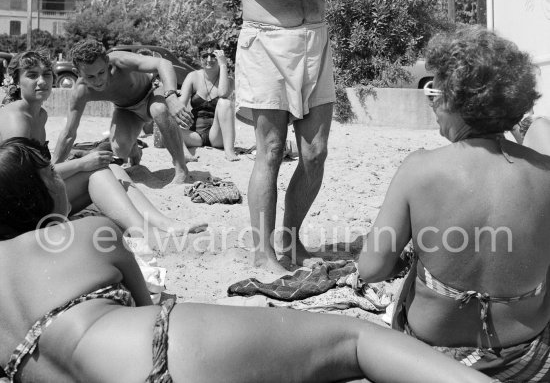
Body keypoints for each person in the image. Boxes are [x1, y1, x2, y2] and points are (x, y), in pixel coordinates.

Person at [0, 140, 494, 383]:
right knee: (357, 340)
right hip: (147, 350)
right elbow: (145, 304)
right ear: (42, 190)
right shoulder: (86, 231)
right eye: (52, 174)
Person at [358, 25, 550, 381]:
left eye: (437, 90)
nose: (432, 103)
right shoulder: (544, 171)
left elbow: (371, 269)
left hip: (432, 360)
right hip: (526, 358)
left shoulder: (419, 169)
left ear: (459, 100)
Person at [227, 0, 352, 274]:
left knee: (315, 152)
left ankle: (292, 241)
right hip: (266, 44)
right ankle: (263, 254)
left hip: (315, 40)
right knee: (271, 151)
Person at [0, 50, 205, 238]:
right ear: (16, 81)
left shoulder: (40, 114)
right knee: (96, 170)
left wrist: (75, 163)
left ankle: (163, 223)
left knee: (112, 168)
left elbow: (44, 170)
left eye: (46, 74)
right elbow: (25, 181)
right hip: (19, 215)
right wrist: (81, 164)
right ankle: (143, 231)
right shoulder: (16, 119)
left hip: (35, 199)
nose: (42, 81)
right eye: (32, 75)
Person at [52, 39, 194, 186]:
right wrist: (52, 169)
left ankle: (181, 168)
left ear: (107, 62)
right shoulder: (80, 92)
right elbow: (69, 133)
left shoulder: (119, 60)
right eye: (90, 77)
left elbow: (163, 63)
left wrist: (171, 96)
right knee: (120, 150)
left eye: (101, 72)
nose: (98, 80)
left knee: (159, 110)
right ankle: (135, 152)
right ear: (77, 73)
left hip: (151, 92)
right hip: (127, 109)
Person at [179, 40, 238, 161]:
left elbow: (222, 93)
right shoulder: (193, 77)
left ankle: (229, 151)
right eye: (205, 56)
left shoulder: (229, 81)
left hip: (217, 136)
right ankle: (185, 154)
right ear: (199, 58)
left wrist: (223, 65)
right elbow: (180, 105)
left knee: (224, 102)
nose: (209, 60)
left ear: (220, 57)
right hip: (195, 135)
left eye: (214, 56)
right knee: (169, 126)